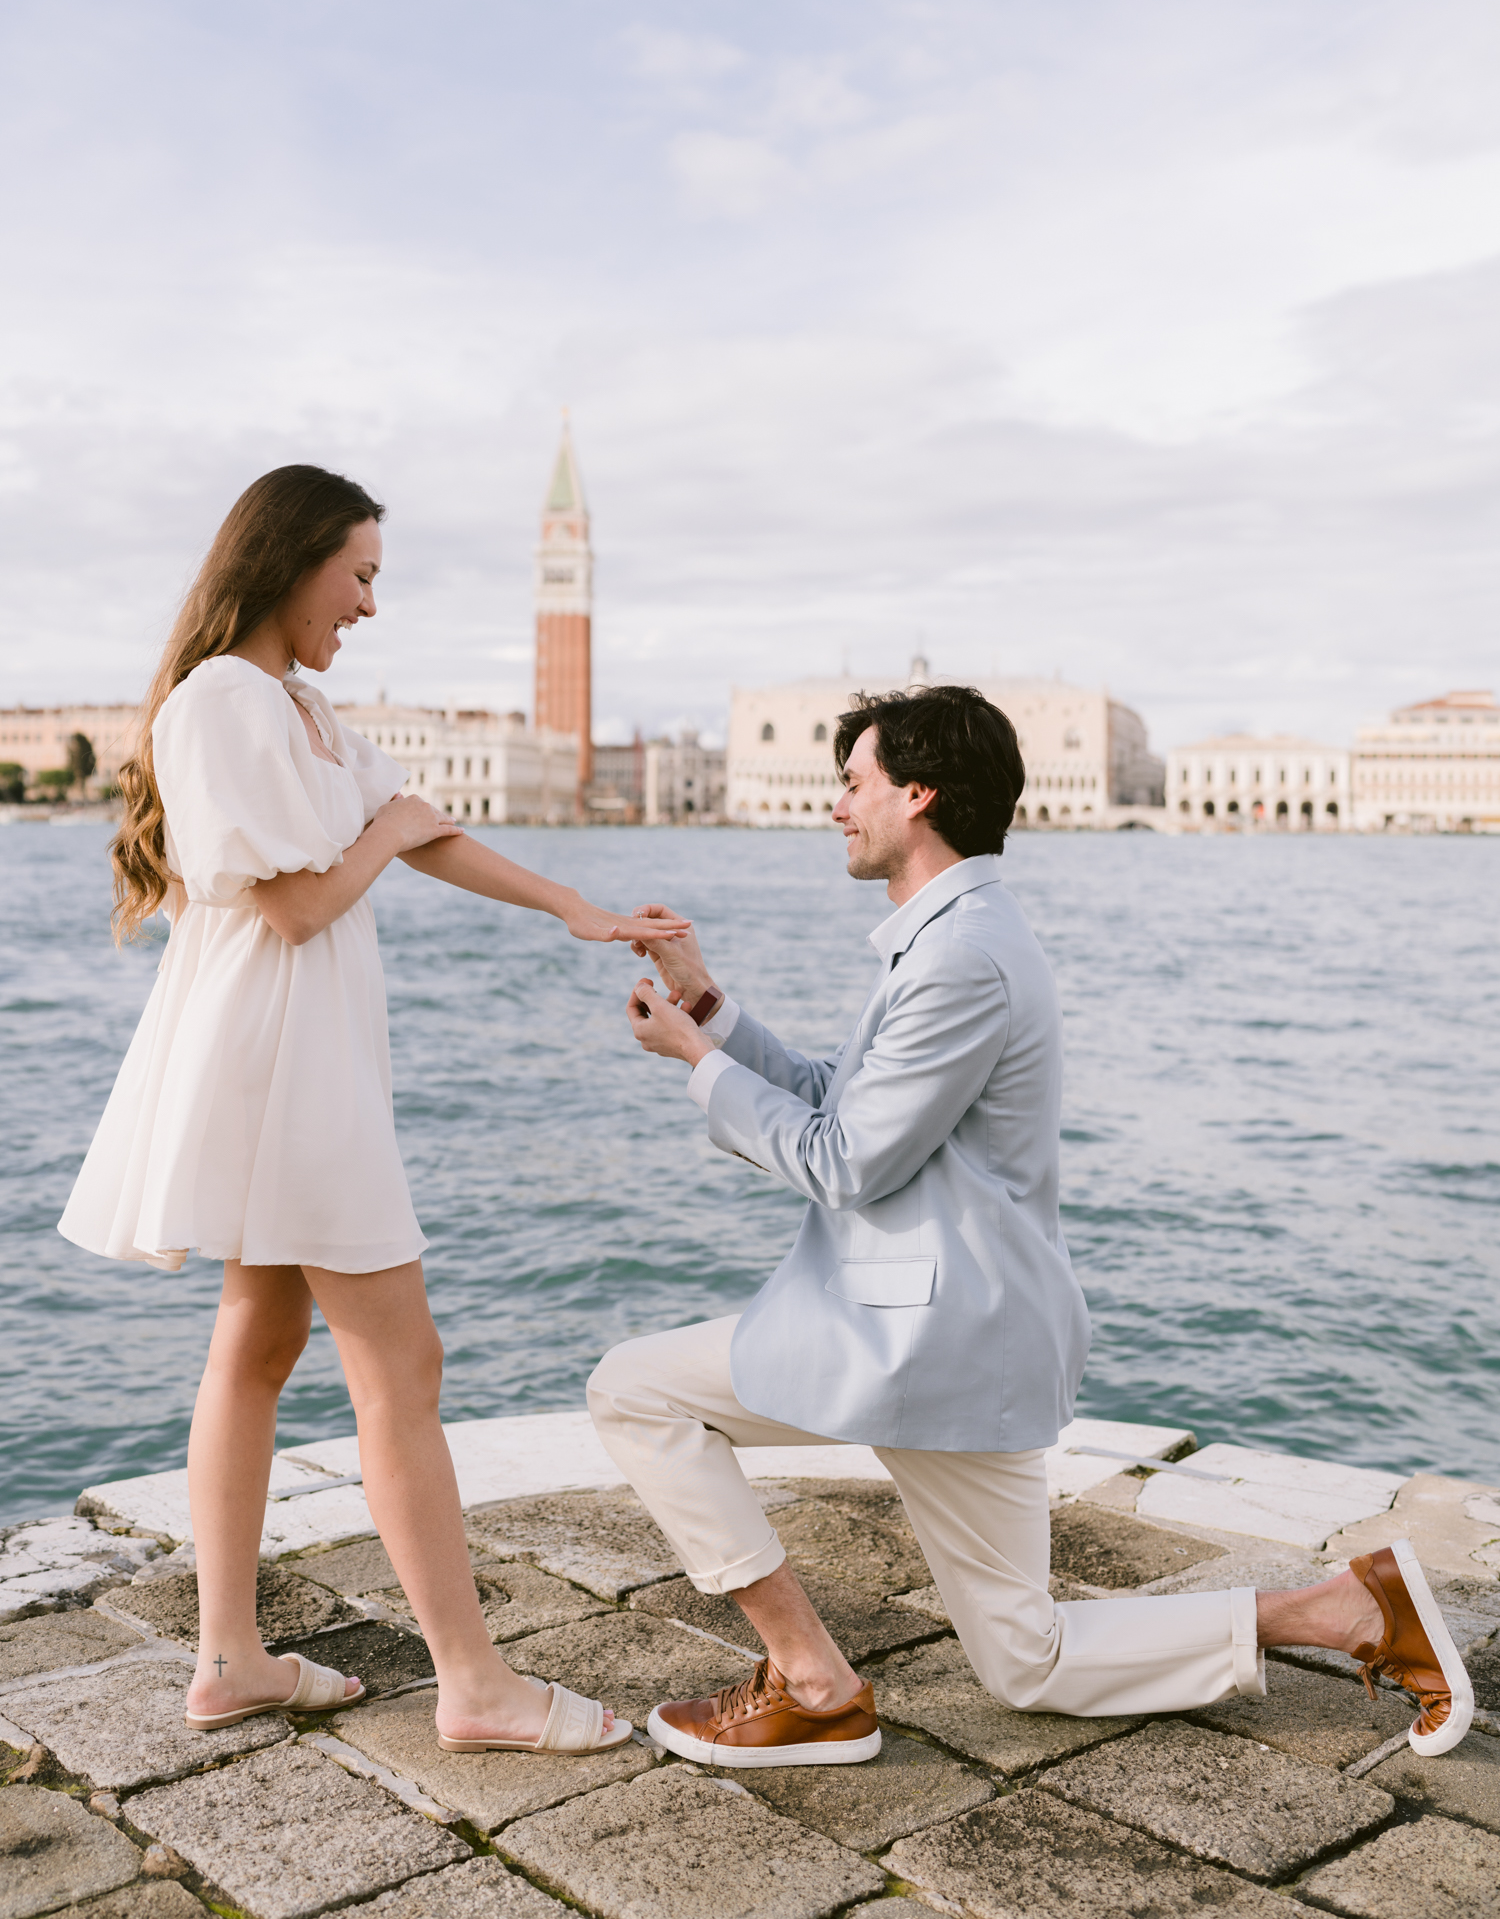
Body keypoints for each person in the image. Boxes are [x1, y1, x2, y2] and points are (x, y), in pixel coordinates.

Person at [593, 683, 1473, 1767]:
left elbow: (845, 1160)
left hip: (926, 1339)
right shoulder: (960, 934)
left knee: (633, 1391)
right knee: (1029, 1663)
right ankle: (1347, 1610)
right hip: (955, 1329)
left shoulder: (962, 953)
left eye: (854, 784)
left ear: (917, 794)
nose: (837, 807)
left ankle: (814, 1682)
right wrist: (714, 1013)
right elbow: (852, 1100)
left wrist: (695, 1064)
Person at [60, 463, 688, 1757]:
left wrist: (576, 907)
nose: (368, 605)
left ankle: (231, 1654)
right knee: (401, 1367)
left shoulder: (301, 704)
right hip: (285, 1068)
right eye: (359, 574)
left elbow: (427, 829)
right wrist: (386, 832)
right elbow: (296, 902)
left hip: (290, 1059)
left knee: (258, 1338)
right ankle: (476, 1683)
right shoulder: (222, 702)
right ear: (288, 562)